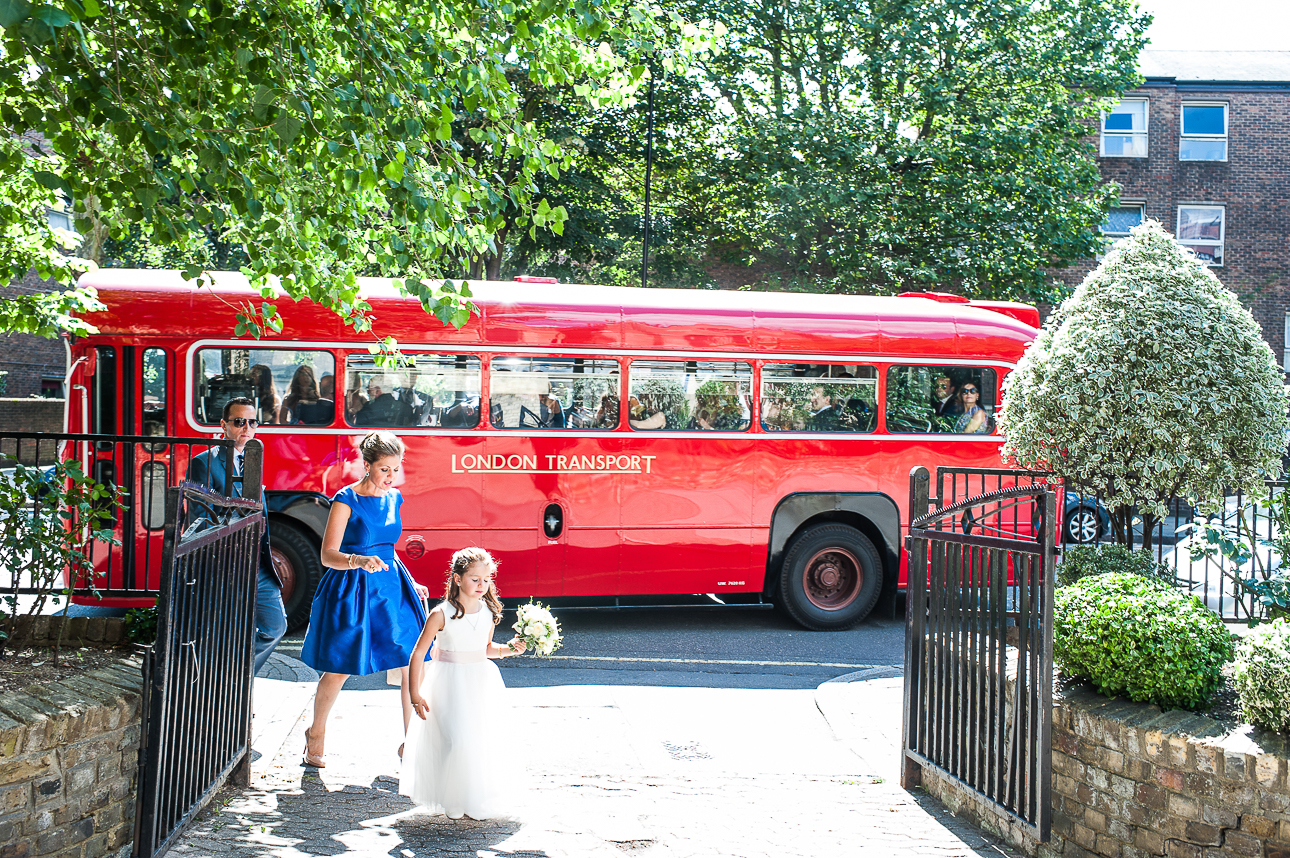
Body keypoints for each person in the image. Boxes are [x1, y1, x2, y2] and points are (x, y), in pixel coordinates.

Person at [299, 431, 431, 767]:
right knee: (340, 666)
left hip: (391, 586)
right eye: (385, 469)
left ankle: (410, 744)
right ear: (367, 465)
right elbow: (328, 555)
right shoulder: (346, 499)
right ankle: (316, 731)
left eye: (396, 469)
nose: (391, 477)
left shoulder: (395, 498)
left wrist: (411, 581)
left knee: (408, 663)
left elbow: (389, 548)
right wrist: (358, 561)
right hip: (351, 587)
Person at [400, 547, 525, 819]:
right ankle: (451, 798)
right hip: (448, 682)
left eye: (486, 579)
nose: (482, 585)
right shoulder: (441, 613)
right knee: (453, 739)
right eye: (475, 579)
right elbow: (418, 653)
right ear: (457, 579)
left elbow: (486, 647)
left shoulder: (489, 611)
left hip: (480, 680)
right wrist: (414, 694)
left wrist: (509, 649)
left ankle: (472, 799)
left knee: (476, 739)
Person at [185, 397, 286, 675]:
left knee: (275, 626)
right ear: (223, 425)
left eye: (252, 422)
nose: (246, 428)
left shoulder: (254, 459)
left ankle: (237, 678)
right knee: (223, 633)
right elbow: (198, 517)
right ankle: (221, 687)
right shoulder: (203, 462)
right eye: (239, 422)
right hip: (225, 562)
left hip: (257, 562)